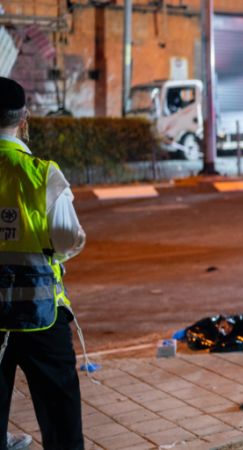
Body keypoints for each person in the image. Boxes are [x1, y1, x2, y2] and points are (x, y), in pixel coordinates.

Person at [0, 77, 87, 449]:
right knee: (61, 419)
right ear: (23, 119)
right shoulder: (40, 174)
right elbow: (70, 237)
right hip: (41, 316)